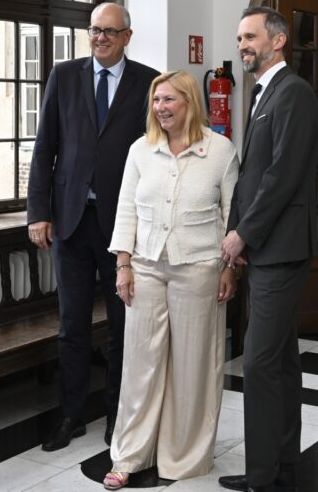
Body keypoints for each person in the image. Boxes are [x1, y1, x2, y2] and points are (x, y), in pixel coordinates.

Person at [26, 2, 160, 451]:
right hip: (70, 222)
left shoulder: (148, 83)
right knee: (72, 325)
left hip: (123, 227)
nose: (100, 38)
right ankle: (71, 415)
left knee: (123, 325)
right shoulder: (64, 76)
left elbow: (155, 155)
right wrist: (37, 212)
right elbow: (45, 147)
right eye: (94, 30)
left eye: (109, 31)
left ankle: (117, 415)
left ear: (127, 36)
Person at [101, 71, 240, 490]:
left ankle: (183, 457)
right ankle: (129, 455)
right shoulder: (140, 150)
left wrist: (230, 267)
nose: (160, 108)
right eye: (156, 100)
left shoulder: (220, 151)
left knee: (193, 366)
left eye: (169, 100)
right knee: (140, 366)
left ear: (190, 102)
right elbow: (126, 209)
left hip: (200, 268)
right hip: (145, 267)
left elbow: (232, 216)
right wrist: (123, 264)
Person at [218, 7, 318, 492]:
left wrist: (243, 234)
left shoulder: (292, 92)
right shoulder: (263, 93)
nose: (242, 45)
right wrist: (239, 231)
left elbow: (282, 175)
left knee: (257, 363)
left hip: (280, 248)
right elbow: (250, 175)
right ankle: (283, 462)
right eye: (239, 38)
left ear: (278, 41)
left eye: (250, 36)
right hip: (266, 248)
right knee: (280, 361)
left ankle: (261, 475)